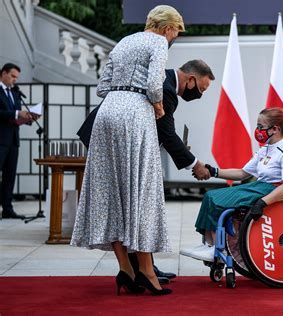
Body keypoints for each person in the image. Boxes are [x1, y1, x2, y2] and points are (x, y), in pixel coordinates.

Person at [70, 5, 184, 296]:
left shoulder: (124, 41)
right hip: (135, 112)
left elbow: (102, 85)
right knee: (140, 191)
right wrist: (157, 106)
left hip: (107, 110)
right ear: (168, 28)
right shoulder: (158, 42)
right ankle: (146, 271)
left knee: (111, 190)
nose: (173, 40)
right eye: (176, 34)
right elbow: (154, 83)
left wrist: (120, 96)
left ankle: (126, 269)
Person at [128, 59, 215, 282]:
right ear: (191, 79)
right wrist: (195, 164)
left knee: (138, 210)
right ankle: (141, 269)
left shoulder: (164, 82)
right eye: (201, 89)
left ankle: (145, 267)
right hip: (121, 148)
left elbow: (159, 131)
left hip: (129, 147)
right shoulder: (166, 89)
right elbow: (167, 133)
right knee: (139, 211)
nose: (200, 95)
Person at [180, 108, 283, 261]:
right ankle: (209, 245)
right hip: (258, 186)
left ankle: (218, 248)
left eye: (261, 127)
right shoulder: (265, 150)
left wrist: (263, 202)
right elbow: (242, 173)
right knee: (210, 196)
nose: (258, 131)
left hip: (270, 189)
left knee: (217, 201)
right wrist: (213, 171)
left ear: (275, 129)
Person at [0, 63, 37, 220]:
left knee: (10, 176)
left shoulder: (14, 93)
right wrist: (17, 113)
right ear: (3, 73)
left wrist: (29, 118)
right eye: (13, 76)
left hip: (13, 140)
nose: (15, 80)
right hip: (1, 139)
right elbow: (5, 113)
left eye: (17, 77)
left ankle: (7, 209)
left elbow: (16, 116)